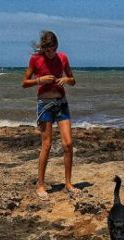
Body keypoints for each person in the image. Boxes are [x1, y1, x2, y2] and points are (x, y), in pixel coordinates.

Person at [22, 31, 78, 201]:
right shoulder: (35, 60)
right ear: (43, 49)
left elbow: (73, 79)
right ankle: (40, 184)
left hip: (61, 103)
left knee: (68, 144)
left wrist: (67, 80)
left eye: (53, 50)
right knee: (46, 145)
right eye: (48, 51)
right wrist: (40, 80)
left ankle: (68, 183)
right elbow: (24, 83)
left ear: (57, 47)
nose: (51, 54)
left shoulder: (63, 58)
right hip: (44, 105)